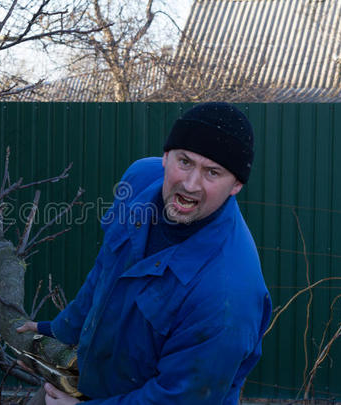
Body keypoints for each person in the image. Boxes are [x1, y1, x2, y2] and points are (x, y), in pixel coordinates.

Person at [17, 102, 272, 405]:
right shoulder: (140, 180)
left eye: (212, 172)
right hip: (93, 381)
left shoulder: (227, 297)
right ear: (166, 156)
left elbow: (180, 399)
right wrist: (60, 329)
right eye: (185, 161)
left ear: (237, 185)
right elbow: (106, 270)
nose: (190, 184)